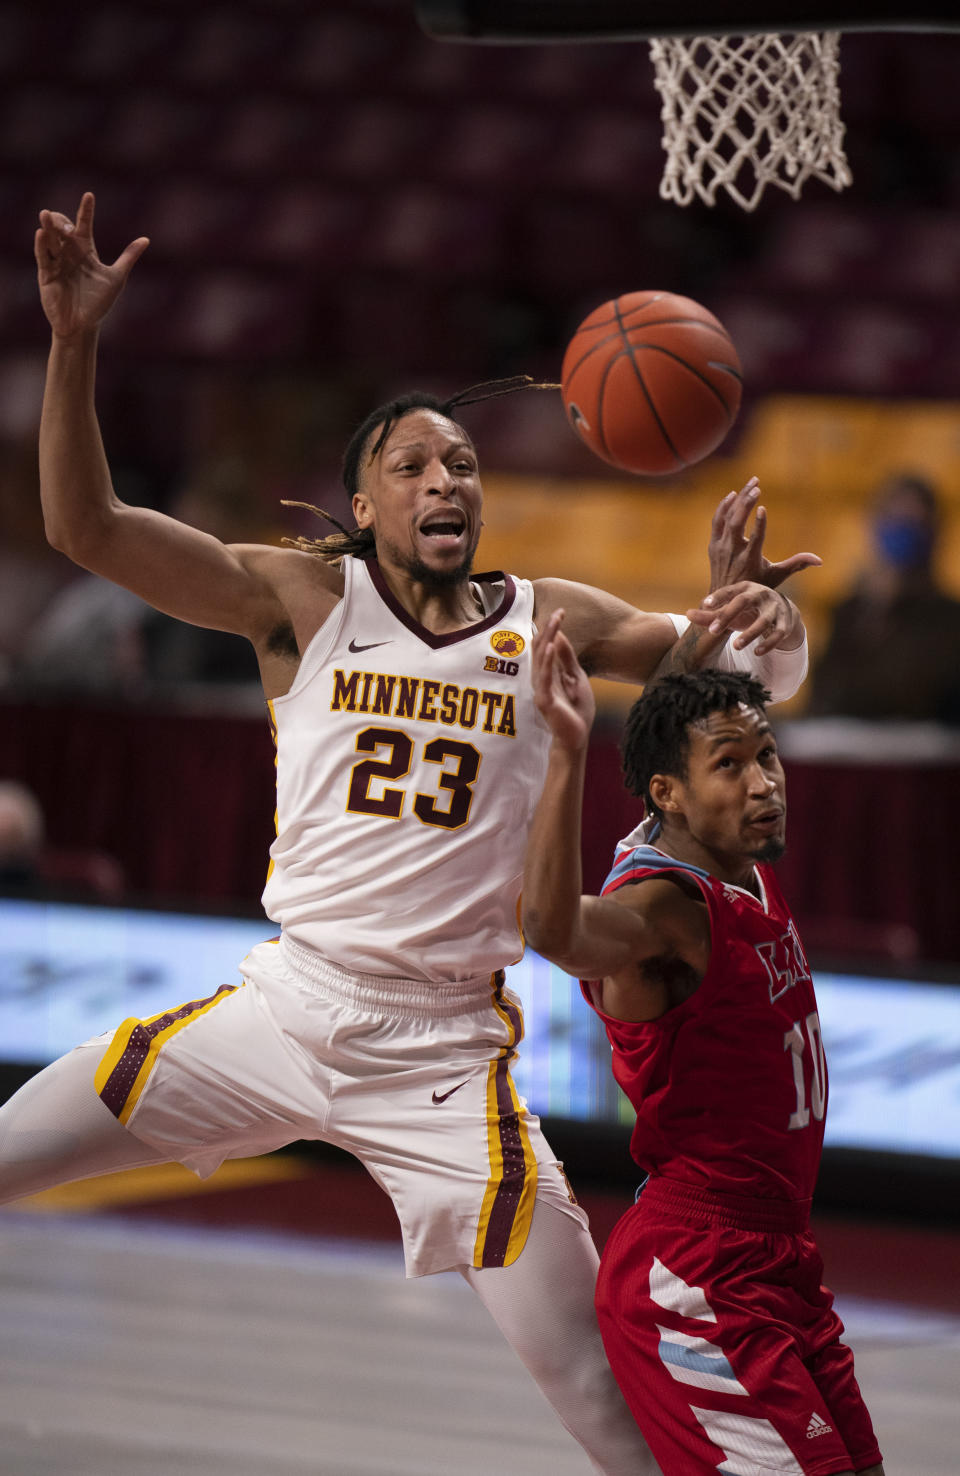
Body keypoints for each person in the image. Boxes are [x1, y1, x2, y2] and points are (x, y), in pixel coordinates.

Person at [1, 191, 811, 1476]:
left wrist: (753, 615)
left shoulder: (546, 616)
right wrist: (75, 339)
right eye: (414, 466)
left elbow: (731, 670)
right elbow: (82, 529)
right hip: (280, 1010)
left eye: (465, 466)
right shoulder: (297, 598)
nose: (448, 480)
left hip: (443, 1055)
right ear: (366, 507)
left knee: (606, 1398)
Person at [522, 627, 885, 1476]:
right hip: (697, 1272)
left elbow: (675, 724)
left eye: (768, 755)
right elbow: (552, 929)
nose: (765, 784)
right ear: (669, 795)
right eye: (733, 766)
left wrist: (713, 631)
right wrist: (569, 750)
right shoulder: (662, 913)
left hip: (780, 1257)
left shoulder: (735, 862)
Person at [809, 471, 960, 724]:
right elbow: (825, 696)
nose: (904, 534)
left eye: (914, 525)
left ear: (934, 534)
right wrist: (875, 612)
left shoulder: (951, 619)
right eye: (897, 522)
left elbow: (921, 697)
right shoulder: (849, 611)